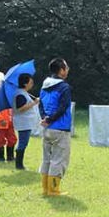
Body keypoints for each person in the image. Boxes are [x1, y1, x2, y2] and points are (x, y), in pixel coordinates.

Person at [39, 58, 72, 197]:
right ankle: (53, 190)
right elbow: (63, 107)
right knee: (59, 159)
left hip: (47, 128)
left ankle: (45, 188)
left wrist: (45, 119)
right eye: (66, 67)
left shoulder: (44, 85)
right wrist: (51, 119)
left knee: (46, 158)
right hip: (60, 128)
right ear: (61, 70)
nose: (68, 70)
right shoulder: (64, 87)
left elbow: (41, 105)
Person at [12, 73, 41, 170]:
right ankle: (19, 165)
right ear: (25, 84)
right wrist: (34, 103)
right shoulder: (20, 94)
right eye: (30, 82)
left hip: (25, 122)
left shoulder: (23, 93)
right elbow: (20, 108)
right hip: (23, 122)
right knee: (23, 142)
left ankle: (19, 163)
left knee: (23, 142)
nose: (32, 84)